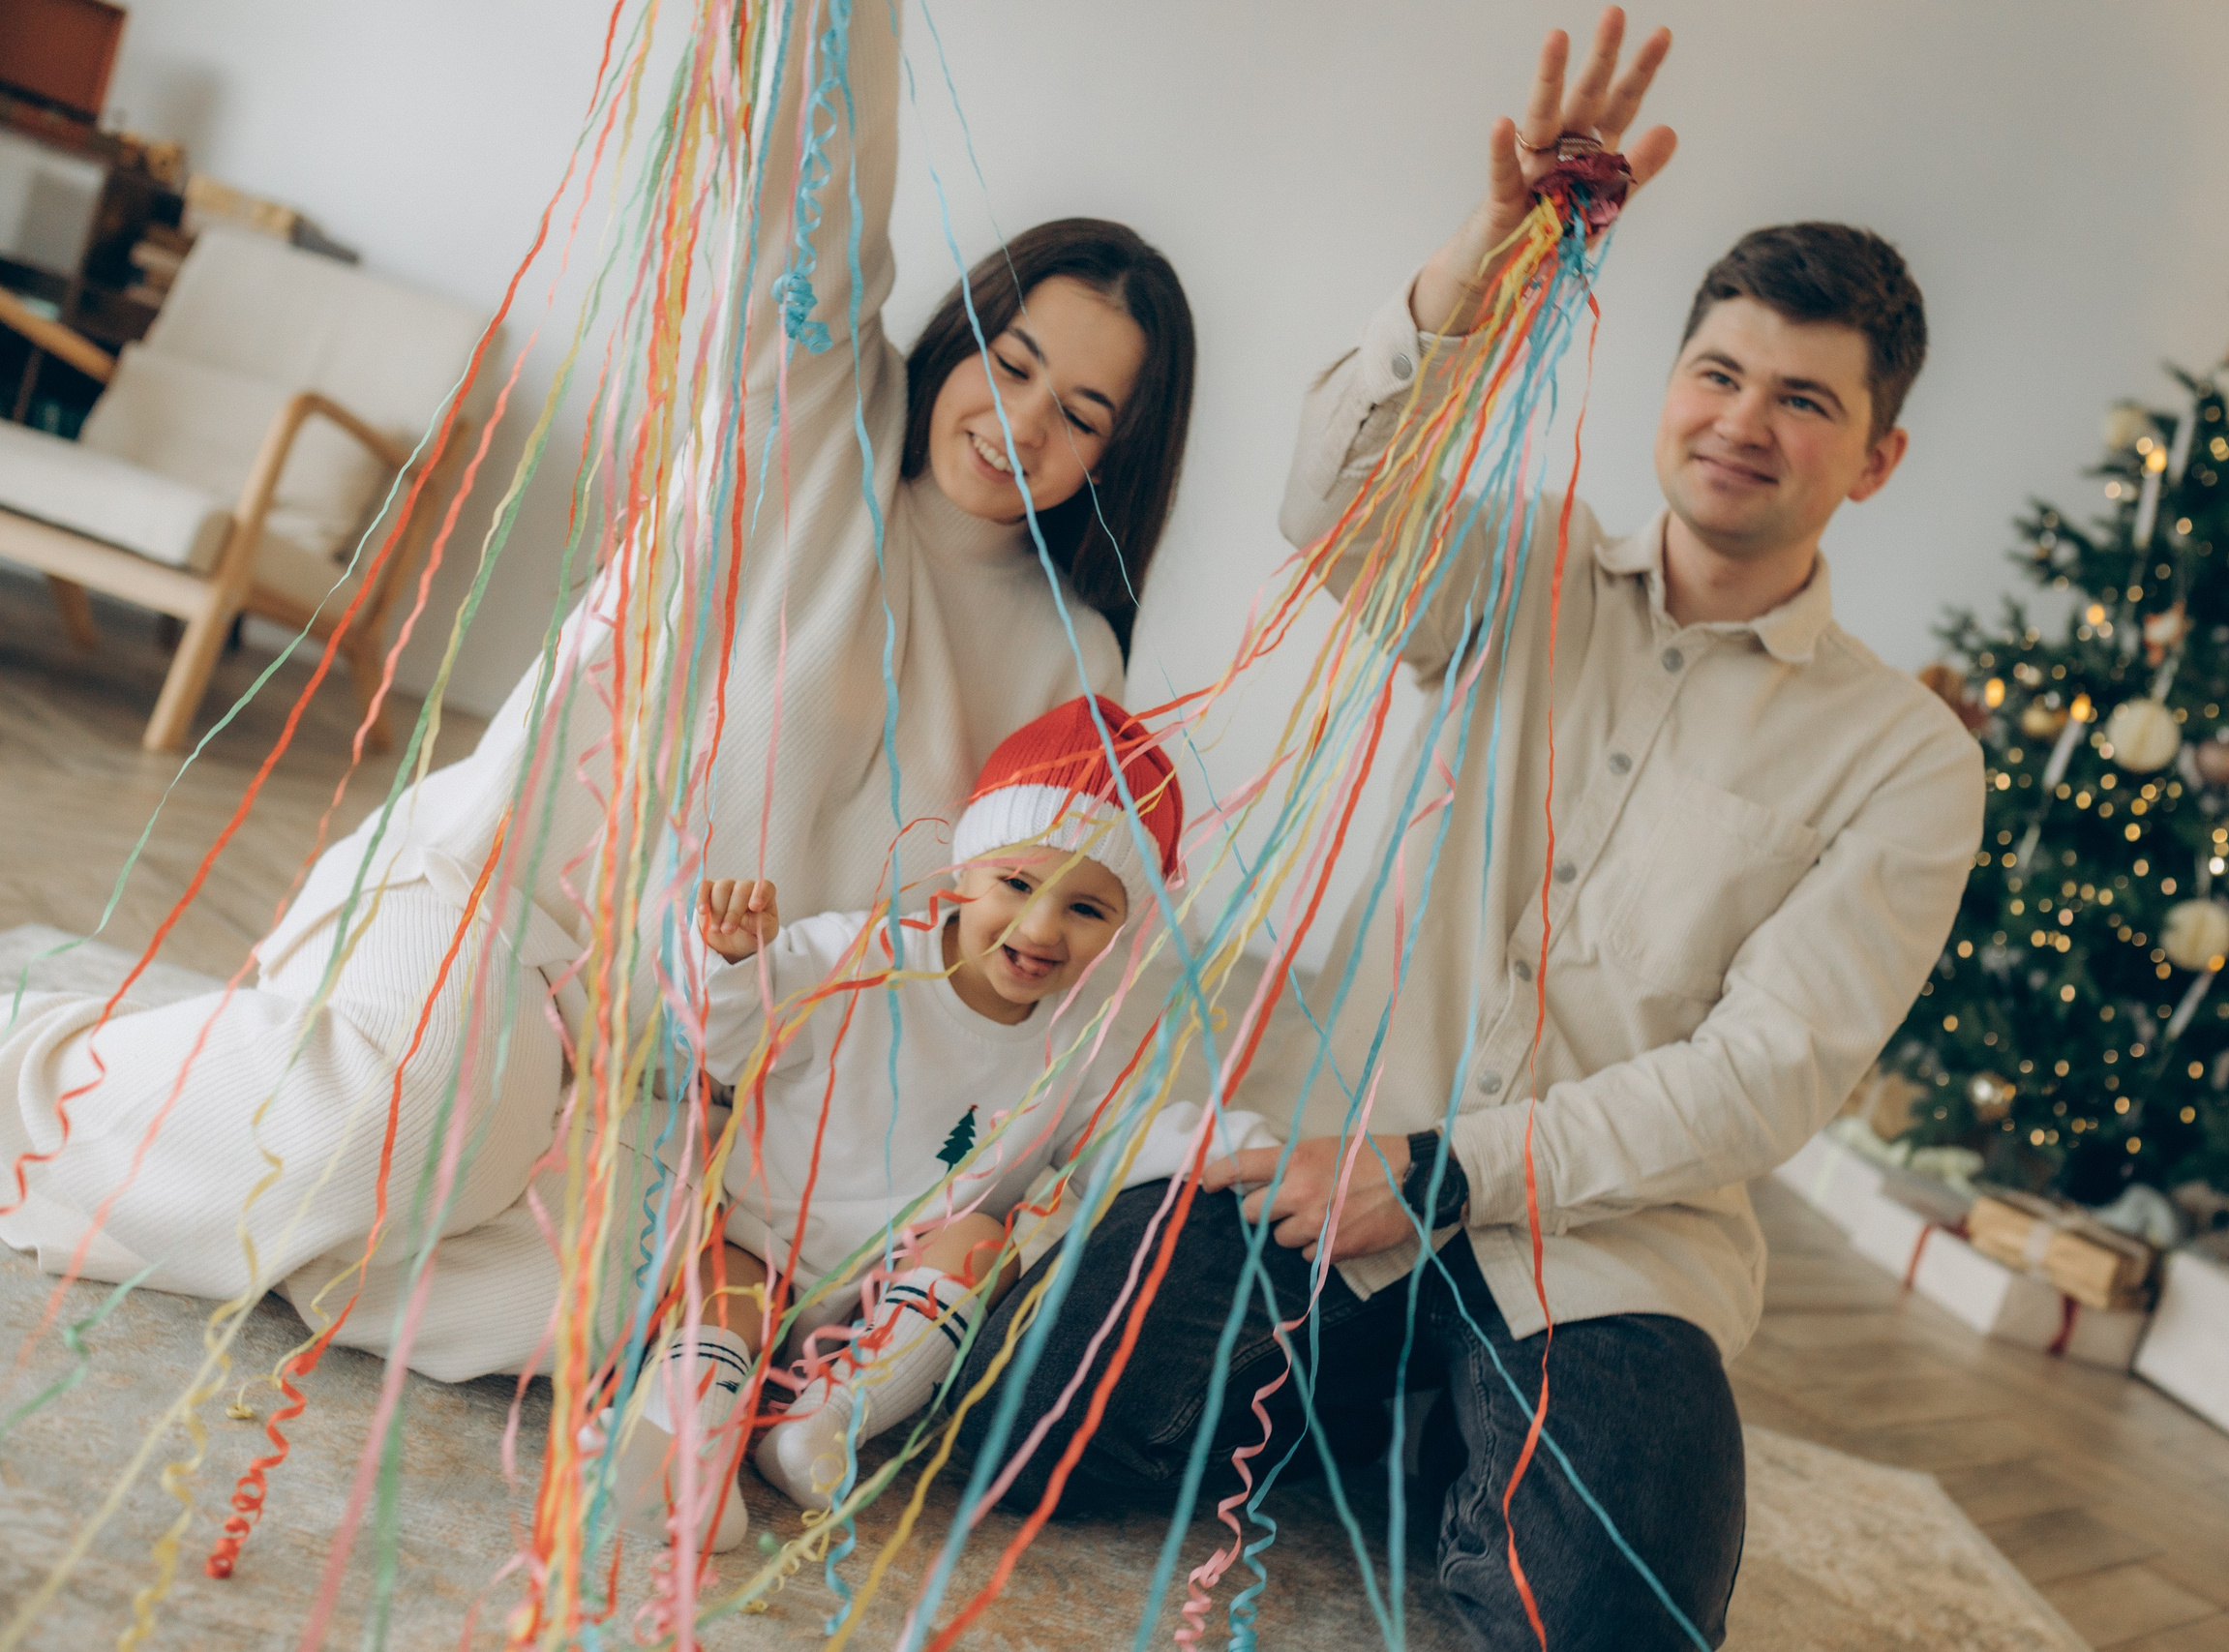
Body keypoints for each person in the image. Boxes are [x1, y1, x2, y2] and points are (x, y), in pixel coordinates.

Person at [947, 12, 1984, 1650]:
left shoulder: (1911, 759)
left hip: (1599, 1251)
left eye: (1803, 399)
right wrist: (1487, 249)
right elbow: (1329, 496)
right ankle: (1380, 1416)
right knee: (1012, 1436)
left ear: (1878, 453)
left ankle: (1445, 1422)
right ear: (1668, 388)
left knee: (1600, 1626)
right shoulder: (1526, 563)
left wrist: (1445, 1176)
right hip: (1315, 1172)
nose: (1742, 419)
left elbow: (1762, 1077)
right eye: (1717, 372)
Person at [0, 0, 1196, 1384]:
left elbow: (995, 959)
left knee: (580, 1316)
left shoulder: (1073, 668)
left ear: (1120, 453)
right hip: (502, 921)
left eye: (1086, 413)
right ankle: (45, 1048)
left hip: (683, 1069)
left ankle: (262, 1111)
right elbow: (809, 178)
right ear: (966, 332)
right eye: (1015, 358)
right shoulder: (805, 410)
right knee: (402, 1114)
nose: (1024, 417)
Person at [588, 697, 1270, 1550]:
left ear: (1121, 930)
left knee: (985, 1241)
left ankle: (826, 1424)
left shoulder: (1087, 1043)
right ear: (965, 875)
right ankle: (688, 1452)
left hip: (905, 1283)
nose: (1039, 927)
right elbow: (730, 1041)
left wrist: (1245, 1148)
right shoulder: (862, 954)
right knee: (726, 1288)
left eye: (1085, 910)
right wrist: (733, 960)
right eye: (1017, 885)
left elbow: (1134, 1136)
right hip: (770, 1234)